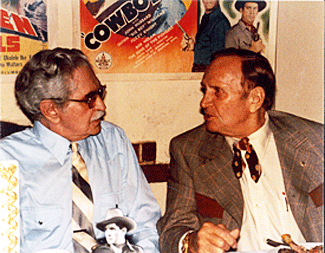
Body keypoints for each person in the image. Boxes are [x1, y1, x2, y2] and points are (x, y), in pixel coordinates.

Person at [157, 48, 323, 253]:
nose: (204, 102)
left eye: (217, 91)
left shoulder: (314, 141)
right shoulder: (189, 150)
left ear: (255, 99)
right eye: (204, 90)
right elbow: (171, 231)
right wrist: (191, 242)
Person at [0, 48, 161, 253]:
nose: (102, 106)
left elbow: (146, 224)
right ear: (51, 110)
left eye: (100, 93)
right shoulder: (7, 159)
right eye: (89, 99)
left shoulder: (113, 141)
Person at [181, 0, 230, 72]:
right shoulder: (206, 17)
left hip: (208, 71)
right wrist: (194, 46)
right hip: (200, 70)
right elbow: (207, 47)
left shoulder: (220, 22)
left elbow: (219, 58)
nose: (208, 1)